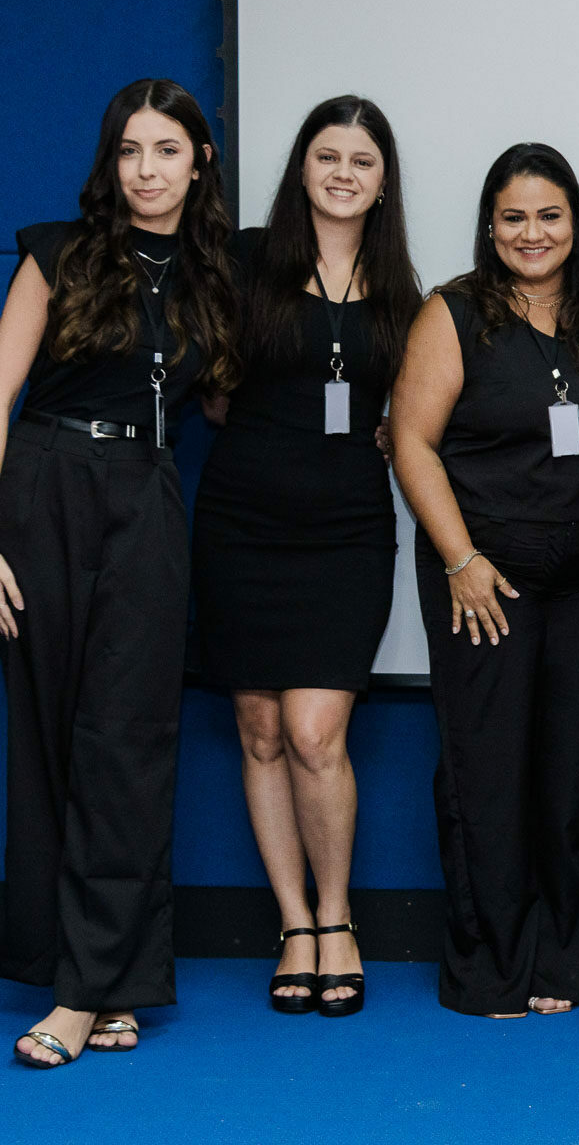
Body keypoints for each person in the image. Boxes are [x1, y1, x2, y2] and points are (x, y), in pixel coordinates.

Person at [0, 79, 239, 1067]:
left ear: (199, 163)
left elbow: (230, 401)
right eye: (129, 150)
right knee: (49, 738)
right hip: (43, 487)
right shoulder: (60, 252)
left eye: (166, 150)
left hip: (148, 495)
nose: (146, 170)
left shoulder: (216, 278)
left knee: (129, 741)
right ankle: (90, 977)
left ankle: (94, 988)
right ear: (110, 162)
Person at [192, 95, 420, 1017]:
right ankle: (293, 925)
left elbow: (409, 418)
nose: (342, 174)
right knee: (259, 727)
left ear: (383, 182)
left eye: (362, 161)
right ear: (301, 168)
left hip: (347, 534)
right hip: (240, 523)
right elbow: (213, 396)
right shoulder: (246, 261)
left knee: (317, 732)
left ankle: (338, 919)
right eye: (327, 157)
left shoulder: (402, 293)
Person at [391, 143, 579, 1019]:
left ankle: (556, 962)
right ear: (490, 227)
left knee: (569, 776)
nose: (533, 233)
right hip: (483, 580)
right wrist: (461, 559)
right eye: (514, 217)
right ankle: (487, 968)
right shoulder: (453, 313)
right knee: (486, 774)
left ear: (576, 223)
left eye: (550, 215)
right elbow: (411, 441)